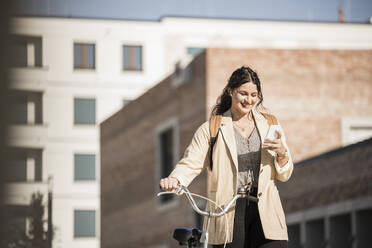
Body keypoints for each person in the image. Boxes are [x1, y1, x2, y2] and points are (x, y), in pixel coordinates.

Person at [159, 66, 293, 248]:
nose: (249, 100)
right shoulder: (211, 128)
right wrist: (175, 179)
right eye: (243, 93)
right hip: (228, 208)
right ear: (231, 91)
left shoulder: (270, 123)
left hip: (266, 208)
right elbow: (191, 162)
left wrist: (282, 152)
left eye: (254, 95)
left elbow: (285, 174)